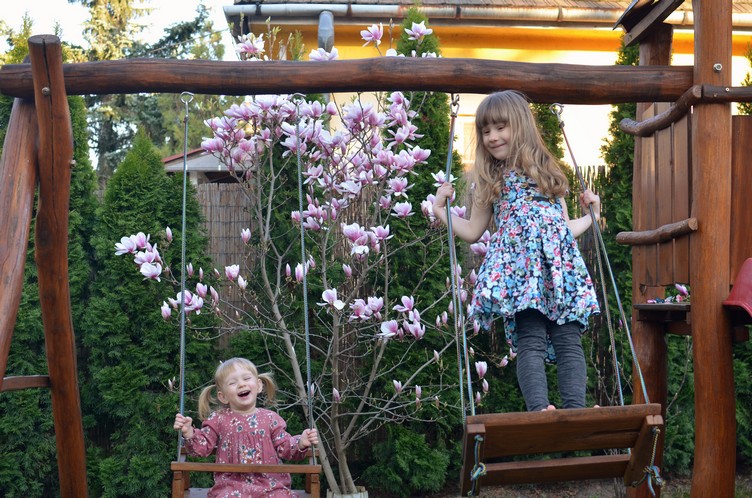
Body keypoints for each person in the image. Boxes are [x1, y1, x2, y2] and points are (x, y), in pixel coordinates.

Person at [433, 90, 600, 412]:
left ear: (520, 126)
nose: (492, 137)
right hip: (522, 275)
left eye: (500, 127)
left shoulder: (550, 175)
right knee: (530, 339)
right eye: (485, 131)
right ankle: (539, 411)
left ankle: (575, 411)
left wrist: (592, 215)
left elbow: (563, 228)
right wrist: (442, 211)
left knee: (568, 338)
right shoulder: (490, 179)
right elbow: (473, 231)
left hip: (559, 272)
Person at [173, 357, 319, 498]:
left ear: (259, 385)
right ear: (223, 396)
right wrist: (189, 432)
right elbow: (202, 448)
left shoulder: (270, 418)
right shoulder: (218, 419)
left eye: (246, 378)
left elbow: (285, 447)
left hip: (270, 485)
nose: (241, 384)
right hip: (231, 486)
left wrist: (301, 442)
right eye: (232, 383)